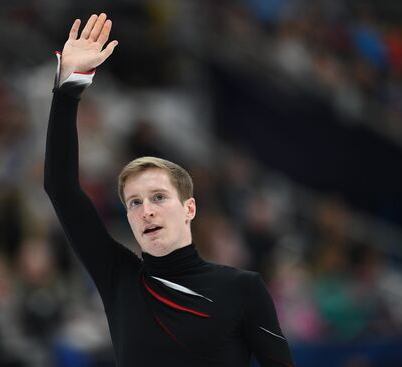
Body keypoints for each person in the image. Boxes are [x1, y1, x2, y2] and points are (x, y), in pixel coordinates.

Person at [44, 13, 295, 367]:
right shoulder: (119, 278)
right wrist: (70, 86)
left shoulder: (242, 289)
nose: (146, 210)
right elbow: (60, 188)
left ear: (189, 208)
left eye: (158, 197)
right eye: (134, 202)